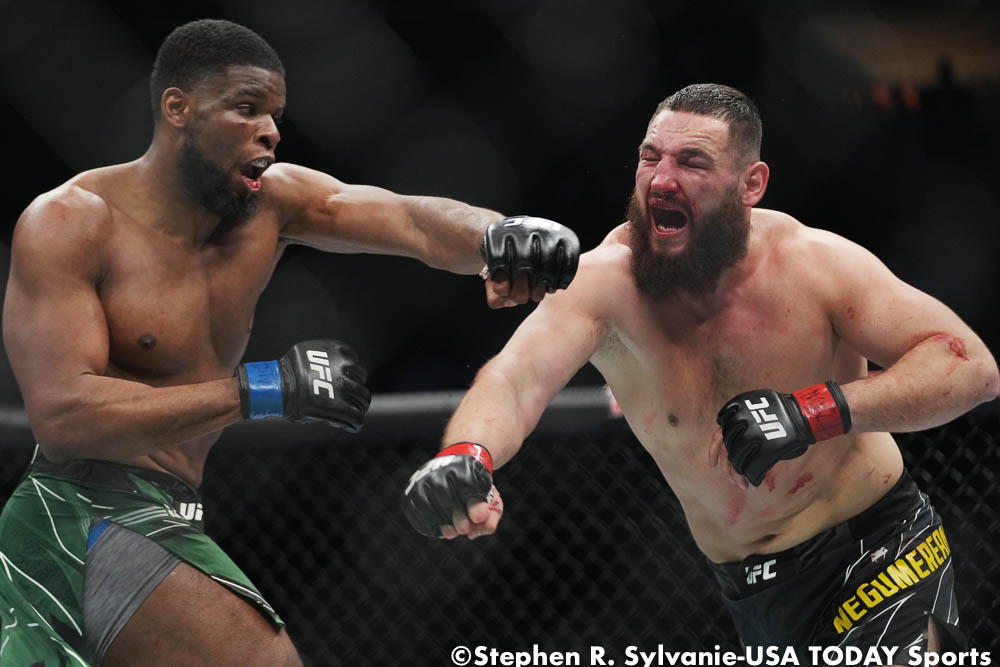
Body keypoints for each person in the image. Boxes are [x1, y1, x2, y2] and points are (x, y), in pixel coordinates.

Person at [0, 18, 579, 667]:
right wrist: (265, 387)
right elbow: (65, 415)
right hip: (78, 510)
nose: (269, 131)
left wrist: (498, 233)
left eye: (273, 113)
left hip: (160, 507)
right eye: (246, 109)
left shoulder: (269, 205)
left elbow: (404, 217)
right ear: (178, 110)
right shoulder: (71, 221)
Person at [402, 84, 999, 657]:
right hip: (753, 590)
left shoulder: (814, 265)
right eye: (650, 157)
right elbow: (514, 379)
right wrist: (465, 455)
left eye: (693, 162)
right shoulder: (603, 285)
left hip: (877, 546)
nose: (662, 180)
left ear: (751, 184)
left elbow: (970, 364)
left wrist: (814, 411)